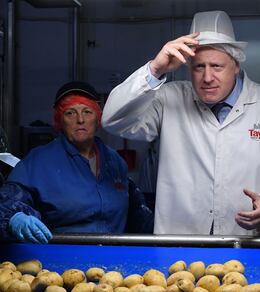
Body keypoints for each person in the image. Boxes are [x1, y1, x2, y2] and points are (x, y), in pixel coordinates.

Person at [102, 10, 260, 235]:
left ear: (236, 65)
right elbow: (113, 119)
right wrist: (155, 70)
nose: (207, 77)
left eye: (217, 67)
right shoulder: (168, 99)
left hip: (246, 244)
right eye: (199, 67)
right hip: (179, 244)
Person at [0, 81, 153, 244]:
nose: (80, 119)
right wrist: (13, 217)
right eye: (70, 113)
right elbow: (6, 202)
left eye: (88, 112)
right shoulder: (38, 161)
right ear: (60, 121)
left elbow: (139, 216)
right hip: (60, 259)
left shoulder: (115, 162)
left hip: (114, 260)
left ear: (98, 119)